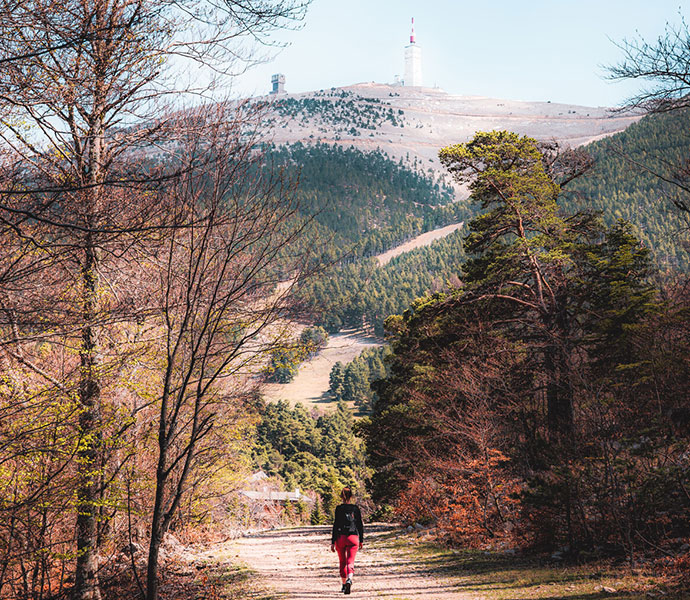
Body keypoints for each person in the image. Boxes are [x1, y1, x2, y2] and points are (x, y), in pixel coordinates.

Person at [330, 486, 364, 595]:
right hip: (353, 538)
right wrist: (361, 540)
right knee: (350, 561)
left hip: (340, 537)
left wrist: (332, 541)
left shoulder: (339, 509)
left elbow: (335, 525)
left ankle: (344, 585)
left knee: (342, 562)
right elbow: (360, 525)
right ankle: (350, 579)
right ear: (351, 496)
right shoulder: (355, 509)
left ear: (341, 496)